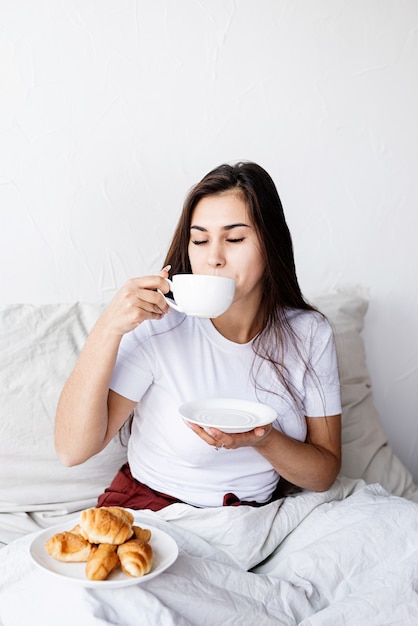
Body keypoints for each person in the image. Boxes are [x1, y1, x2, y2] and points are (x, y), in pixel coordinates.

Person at [55, 161, 342, 510]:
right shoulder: (159, 324)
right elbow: (72, 450)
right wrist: (108, 328)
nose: (213, 258)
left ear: (271, 244)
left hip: (256, 516)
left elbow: (324, 473)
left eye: (234, 238)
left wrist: (262, 440)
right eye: (200, 240)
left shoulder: (308, 333)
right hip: (157, 512)